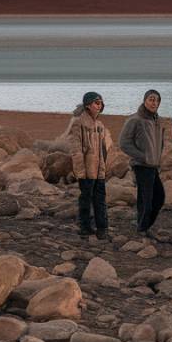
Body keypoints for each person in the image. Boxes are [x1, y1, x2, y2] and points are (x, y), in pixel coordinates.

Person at [118, 89, 166, 237]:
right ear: (145, 100)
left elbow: (159, 143)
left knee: (159, 197)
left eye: (157, 100)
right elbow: (124, 143)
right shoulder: (135, 119)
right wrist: (143, 156)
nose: (154, 103)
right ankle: (143, 229)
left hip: (153, 166)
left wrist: (156, 159)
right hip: (141, 166)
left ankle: (143, 225)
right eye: (151, 99)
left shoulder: (156, 120)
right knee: (147, 199)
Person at [68, 91, 114, 239]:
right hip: (86, 171)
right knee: (86, 199)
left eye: (101, 103)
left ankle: (102, 228)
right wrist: (80, 172)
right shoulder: (79, 123)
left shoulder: (100, 125)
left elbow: (103, 150)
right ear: (88, 105)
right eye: (96, 102)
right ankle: (85, 227)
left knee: (100, 199)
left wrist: (103, 168)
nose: (100, 105)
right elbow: (76, 150)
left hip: (99, 170)